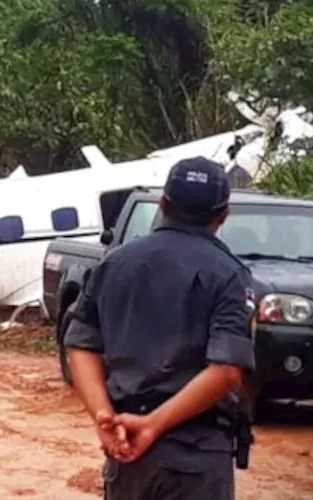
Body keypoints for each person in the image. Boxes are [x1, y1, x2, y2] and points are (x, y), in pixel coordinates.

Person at [63, 157, 256, 500]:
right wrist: (153, 425)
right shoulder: (229, 275)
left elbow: (80, 345)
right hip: (195, 457)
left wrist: (104, 417)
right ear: (223, 214)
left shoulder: (115, 263)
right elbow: (226, 370)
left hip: (127, 453)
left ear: (163, 204)